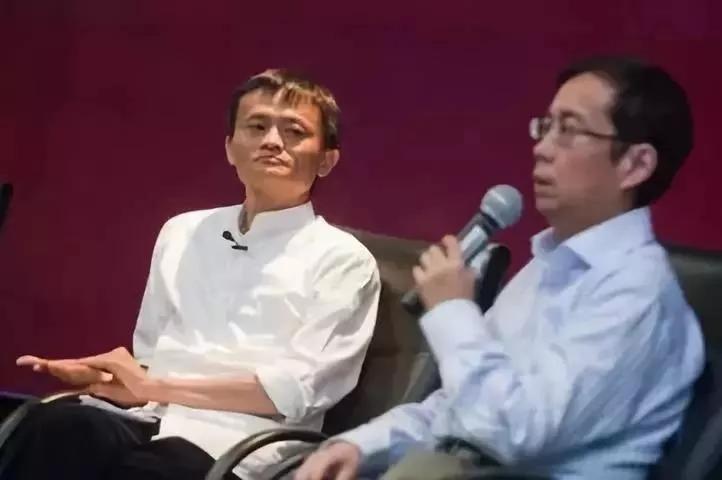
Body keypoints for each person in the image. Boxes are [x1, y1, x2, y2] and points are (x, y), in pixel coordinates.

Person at [295, 56, 704, 480]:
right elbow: (461, 409)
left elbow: (511, 431)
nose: (542, 148)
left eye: (569, 130)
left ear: (635, 165)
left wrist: (453, 310)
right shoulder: (547, 267)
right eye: (545, 127)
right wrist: (359, 445)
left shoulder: (637, 291)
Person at [4, 69, 381, 480]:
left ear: (326, 160)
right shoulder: (183, 231)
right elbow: (151, 359)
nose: (272, 141)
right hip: (148, 416)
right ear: (230, 148)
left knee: (151, 472)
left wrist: (153, 386)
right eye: (257, 127)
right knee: (52, 429)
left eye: (294, 132)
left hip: (238, 443)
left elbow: (297, 391)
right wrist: (110, 378)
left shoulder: (344, 260)